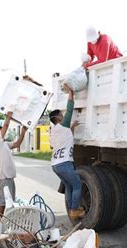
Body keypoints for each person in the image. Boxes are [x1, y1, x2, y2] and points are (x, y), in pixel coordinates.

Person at [49, 85, 84, 220]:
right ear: (57, 118)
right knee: (77, 185)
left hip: (55, 165)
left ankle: (71, 209)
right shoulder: (63, 126)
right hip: (64, 163)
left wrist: (71, 127)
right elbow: (70, 108)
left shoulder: (54, 131)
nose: (63, 115)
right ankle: (74, 210)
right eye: (61, 115)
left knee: (69, 185)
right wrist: (71, 92)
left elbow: (66, 138)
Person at [0, 111, 27, 217]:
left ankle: (4, 222)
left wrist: (23, 131)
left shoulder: (5, 144)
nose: (3, 132)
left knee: (9, 201)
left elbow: (17, 143)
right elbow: (6, 126)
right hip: (3, 177)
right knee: (2, 201)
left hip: (8, 177)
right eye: (0, 131)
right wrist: (8, 116)